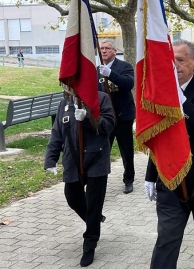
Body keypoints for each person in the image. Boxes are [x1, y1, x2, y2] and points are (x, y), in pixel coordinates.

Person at [145, 40, 194, 269]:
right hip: (170, 180)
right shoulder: (159, 90)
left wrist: (183, 103)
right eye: (171, 61)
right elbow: (158, 136)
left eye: (180, 60)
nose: (175, 66)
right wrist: (151, 175)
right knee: (166, 242)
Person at [44, 91, 115, 267]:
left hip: (96, 158)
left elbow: (108, 125)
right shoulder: (64, 103)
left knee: (93, 203)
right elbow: (57, 133)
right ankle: (94, 219)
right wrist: (50, 158)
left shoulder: (101, 98)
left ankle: (89, 244)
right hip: (73, 159)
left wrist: (89, 117)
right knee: (72, 197)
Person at [97, 40, 135, 194]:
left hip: (122, 116)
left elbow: (128, 84)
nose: (104, 51)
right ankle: (99, 181)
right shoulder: (97, 69)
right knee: (102, 151)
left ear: (114, 51)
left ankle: (129, 180)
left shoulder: (124, 67)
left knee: (126, 151)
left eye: (107, 48)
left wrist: (110, 74)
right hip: (105, 118)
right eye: (102, 49)